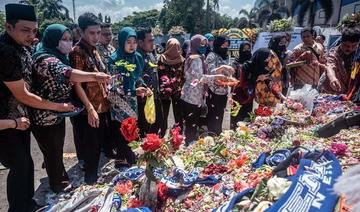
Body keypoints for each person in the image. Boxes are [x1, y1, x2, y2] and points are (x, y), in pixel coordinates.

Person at [0, 4, 74, 211]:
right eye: (25, 30)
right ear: (8, 26)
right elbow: (22, 94)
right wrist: (57, 106)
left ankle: (27, 203)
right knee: (19, 165)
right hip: (6, 120)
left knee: (26, 164)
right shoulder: (5, 51)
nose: (31, 35)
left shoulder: (22, 46)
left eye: (34, 30)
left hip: (21, 118)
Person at [31, 24, 111, 191]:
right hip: (44, 114)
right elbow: (70, 74)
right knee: (54, 150)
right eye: (63, 39)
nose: (68, 43)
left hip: (59, 111)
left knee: (56, 149)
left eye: (69, 39)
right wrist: (95, 77)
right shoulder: (48, 59)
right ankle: (59, 185)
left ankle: (61, 179)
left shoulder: (61, 55)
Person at [69, 13, 111, 184]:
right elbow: (76, 82)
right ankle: (90, 184)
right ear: (81, 31)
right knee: (91, 150)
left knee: (98, 145)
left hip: (101, 105)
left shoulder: (94, 50)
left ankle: (94, 180)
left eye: (98, 33)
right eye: (92, 33)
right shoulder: (77, 52)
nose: (96, 37)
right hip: (89, 108)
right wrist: (89, 108)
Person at [108, 27, 151, 166]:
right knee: (123, 131)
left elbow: (137, 77)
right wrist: (133, 91)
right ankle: (127, 160)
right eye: (128, 42)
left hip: (132, 101)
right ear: (121, 42)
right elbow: (114, 86)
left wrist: (144, 86)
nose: (132, 45)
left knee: (131, 130)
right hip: (118, 101)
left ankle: (124, 159)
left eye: (134, 42)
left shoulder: (136, 57)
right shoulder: (114, 59)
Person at [180, 34, 226, 144]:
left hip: (196, 96)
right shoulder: (194, 58)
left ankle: (189, 145)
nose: (204, 46)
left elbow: (206, 73)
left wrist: (221, 69)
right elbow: (199, 78)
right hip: (191, 97)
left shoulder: (200, 57)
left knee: (193, 124)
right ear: (195, 44)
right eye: (201, 44)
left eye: (205, 44)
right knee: (191, 125)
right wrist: (216, 77)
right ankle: (188, 148)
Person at [137, 27, 164, 136]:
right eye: (150, 40)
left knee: (157, 125)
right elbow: (137, 77)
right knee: (147, 130)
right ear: (140, 42)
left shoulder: (151, 53)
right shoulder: (136, 57)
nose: (153, 43)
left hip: (155, 97)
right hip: (144, 101)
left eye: (153, 39)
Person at [205, 36, 234, 135]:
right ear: (217, 45)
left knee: (220, 114)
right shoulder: (211, 56)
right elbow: (209, 72)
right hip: (213, 91)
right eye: (223, 45)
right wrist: (222, 67)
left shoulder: (227, 56)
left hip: (224, 91)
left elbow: (229, 71)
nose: (225, 48)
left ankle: (217, 134)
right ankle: (211, 135)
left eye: (227, 46)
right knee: (212, 115)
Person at [318, 29, 360, 95]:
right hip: (330, 89)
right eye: (346, 45)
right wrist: (332, 78)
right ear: (341, 42)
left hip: (350, 91)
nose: (350, 49)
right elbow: (329, 66)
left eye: (354, 46)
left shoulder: (358, 54)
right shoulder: (333, 53)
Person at [158, 38, 185, 132]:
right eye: (173, 47)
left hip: (177, 91)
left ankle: (178, 133)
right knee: (164, 114)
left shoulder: (181, 59)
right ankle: (163, 133)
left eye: (177, 47)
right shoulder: (161, 59)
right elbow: (159, 74)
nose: (175, 49)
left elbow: (183, 75)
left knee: (178, 114)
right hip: (165, 92)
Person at [231, 41, 252, 128]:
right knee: (236, 111)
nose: (246, 51)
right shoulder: (236, 61)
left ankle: (246, 130)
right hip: (238, 90)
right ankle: (234, 129)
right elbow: (232, 76)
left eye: (248, 49)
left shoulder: (252, 60)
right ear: (240, 49)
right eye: (244, 49)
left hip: (248, 90)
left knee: (247, 112)